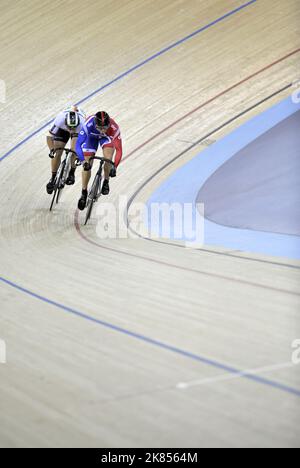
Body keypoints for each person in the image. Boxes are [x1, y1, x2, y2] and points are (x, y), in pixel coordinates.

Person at [75, 111, 123, 210]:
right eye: (99, 128)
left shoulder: (114, 128)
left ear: (108, 125)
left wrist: (115, 166)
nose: (101, 130)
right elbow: (78, 145)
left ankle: (106, 181)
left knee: (108, 159)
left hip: (106, 138)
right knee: (87, 164)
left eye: (104, 128)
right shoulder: (88, 124)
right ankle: (84, 192)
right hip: (91, 138)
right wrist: (83, 162)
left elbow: (119, 150)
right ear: (95, 124)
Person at [46, 105, 86, 194]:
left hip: (78, 131)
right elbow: (49, 137)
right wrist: (51, 150)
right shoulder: (60, 120)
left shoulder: (82, 124)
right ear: (65, 122)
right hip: (62, 130)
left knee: (74, 150)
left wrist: (79, 156)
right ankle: (53, 178)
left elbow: (83, 143)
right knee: (57, 152)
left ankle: (72, 172)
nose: (71, 130)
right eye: (69, 127)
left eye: (73, 127)